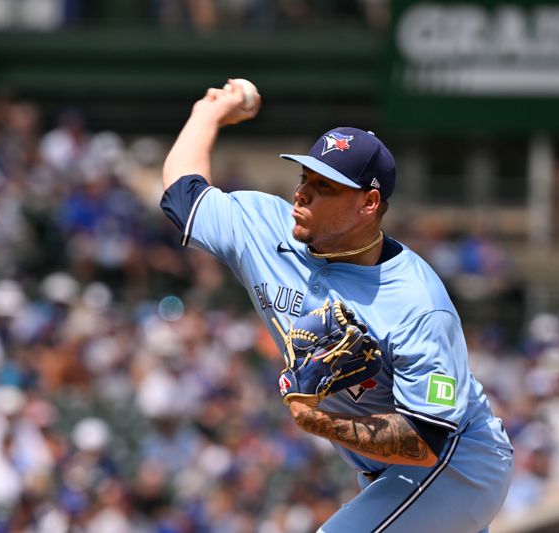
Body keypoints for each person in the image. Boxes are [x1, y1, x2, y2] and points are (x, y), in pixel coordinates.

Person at [159, 81, 513, 532]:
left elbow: (427, 439)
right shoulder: (267, 229)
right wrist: (207, 114)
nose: (302, 194)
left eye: (324, 187)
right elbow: (182, 194)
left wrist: (316, 420)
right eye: (304, 177)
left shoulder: (417, 303)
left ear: (368, 203)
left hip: (458, 465)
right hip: (386, 475)